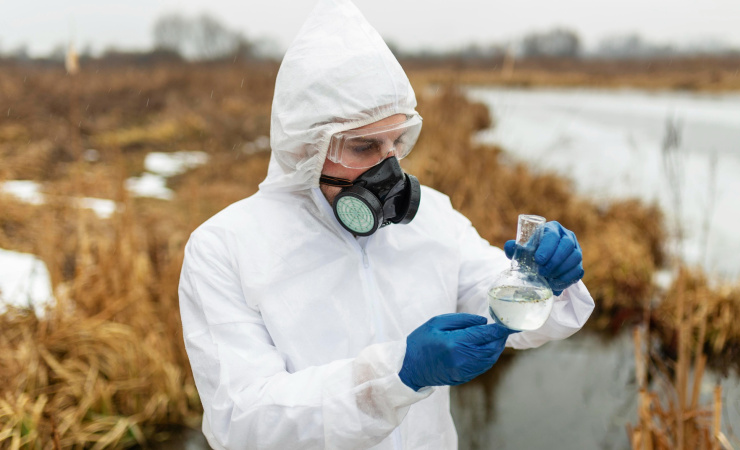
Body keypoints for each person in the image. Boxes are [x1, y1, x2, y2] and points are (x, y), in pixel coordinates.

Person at [178, 0, 595, 448]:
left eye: (396, 142)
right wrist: (396, 376)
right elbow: (244, 423)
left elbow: (506, 311)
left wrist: (541, 279)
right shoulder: (226, 248)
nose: (389, 169)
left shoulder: (431, 216)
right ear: (304, 149)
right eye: (363, 147)